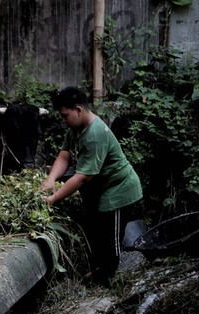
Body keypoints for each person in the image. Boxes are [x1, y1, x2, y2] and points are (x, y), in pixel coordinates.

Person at [40, 86, 143, 285]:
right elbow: (65, 154)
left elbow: (81, 178)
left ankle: (108, 283)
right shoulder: (76, 128)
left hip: (119, 190)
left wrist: (53, 198)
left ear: (78, 110)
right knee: (97, 232)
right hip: (104, 188)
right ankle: (98, 275)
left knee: (110, 240)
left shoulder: (95, 135)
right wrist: (50, 180)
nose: (63, 120)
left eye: (65, 115)